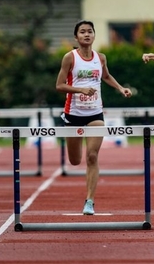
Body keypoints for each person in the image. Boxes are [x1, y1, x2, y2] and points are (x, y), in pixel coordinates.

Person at [55, 20, 132, 215]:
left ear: (94, 35)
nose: (86, 35)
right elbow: (59, 85)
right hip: (73, 113)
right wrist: (80, 89)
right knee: (74, 160)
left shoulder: (101, 58)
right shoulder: (69, 58)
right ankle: (86, 191)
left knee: (92, 156)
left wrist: (121, 88)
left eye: (90, 31)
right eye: (82, 32)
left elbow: (106, 76)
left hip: (95, 113)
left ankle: (89, 200)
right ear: (76, 37)